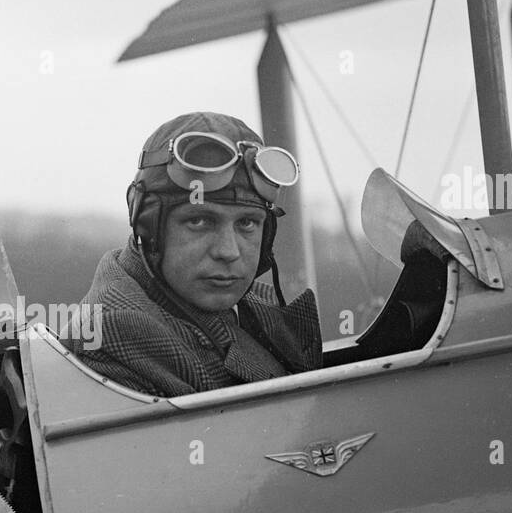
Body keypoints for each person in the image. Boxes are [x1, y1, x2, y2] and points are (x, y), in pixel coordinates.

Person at [64, 111, 322, 397]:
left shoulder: (240, 302)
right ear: (147, 224)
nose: (228, 251)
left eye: (247, 223)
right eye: (200, 221)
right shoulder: (119, 330)